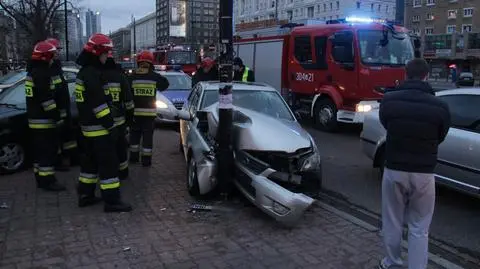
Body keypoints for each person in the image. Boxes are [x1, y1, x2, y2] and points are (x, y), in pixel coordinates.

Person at [378, 58, 450, 269]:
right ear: (426, 76)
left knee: (392, 220)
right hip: (424, 173)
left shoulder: (389, 100)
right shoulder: (441, 106)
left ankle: (391, 263)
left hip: (394, 169)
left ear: (405, 74)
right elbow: (440, 135)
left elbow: (386, 124)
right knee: (420, 227)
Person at [75, 33, 132, 212]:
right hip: (100, 131)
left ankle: (86, 195)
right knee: (109, 166)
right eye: (106, 53)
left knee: (89, 165)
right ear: (97, 52)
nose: (107, 56)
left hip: (88, 130)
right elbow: (99, 105)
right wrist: (110, 126)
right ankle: (112, 201)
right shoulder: (92, 74)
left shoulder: (84, 72)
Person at [25, 41, 66, 191]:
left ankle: (40, 179)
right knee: (47, 152)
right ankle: (48, 181)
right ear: (45, 57)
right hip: (44, 121)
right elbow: (47, 100)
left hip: (34, 120)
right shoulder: (42, 74)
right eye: (52, 56)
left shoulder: (32, 73)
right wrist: (57, 117)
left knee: (39, 153)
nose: (53, 59)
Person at [129, 50, 169, 167]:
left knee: (134, 137)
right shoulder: (154, 77)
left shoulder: (132, 77)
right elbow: (165, 85)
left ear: (139, 62)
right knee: (147, 138)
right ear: (151, 63)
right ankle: (146, 161)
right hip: (149, 115)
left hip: (135, 114)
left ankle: (133, 158)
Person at [45, 38, 78, 170]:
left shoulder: (56, 67)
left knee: (68, 137)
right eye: (56, 50)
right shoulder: (49, 70)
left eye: (59, 50)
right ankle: (59, 162)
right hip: (57, 111)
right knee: (56, 139)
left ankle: (71, 158)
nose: (58, 52)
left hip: (65, 110)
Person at [103, 52, 134, 180]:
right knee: (121, 148)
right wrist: (129, 120)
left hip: (103, 123)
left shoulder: (98, 76)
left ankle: (108, 172)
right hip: (119, 122)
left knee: (106, 150)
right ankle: (123, 172)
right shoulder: (120, 77)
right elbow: (128, 102)